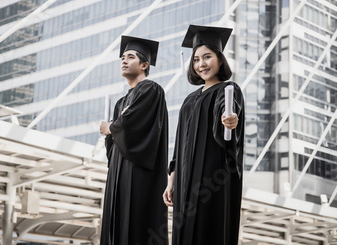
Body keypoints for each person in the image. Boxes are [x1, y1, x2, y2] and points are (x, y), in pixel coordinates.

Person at [163, 25, 245, 245]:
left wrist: (230, 121)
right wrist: (172, 181)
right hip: (184, 181)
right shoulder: (189, 100)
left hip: (211, 179)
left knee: (206, 230)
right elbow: (180, 143)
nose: (201, 64)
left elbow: (227, 114)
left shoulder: (228, 89)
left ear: (220, 59)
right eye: (196, 59)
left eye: (207, 57)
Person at [99, 35, 169, 245]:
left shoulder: (151, 89)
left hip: (139, 174)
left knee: (137, 226)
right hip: (119, 174)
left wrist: (110, 127)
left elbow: (133, 128)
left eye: (130, 57)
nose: (124, 60)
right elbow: (114, 145)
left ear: (145, 64)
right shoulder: (121, 102)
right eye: (122, 57)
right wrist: (112, 132)